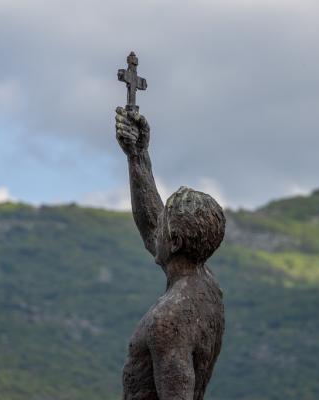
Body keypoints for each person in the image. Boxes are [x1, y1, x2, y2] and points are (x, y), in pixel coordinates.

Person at [115, 107, 226, 400]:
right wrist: (138, 157)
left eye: (164, 222)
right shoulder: (206, 285)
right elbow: (151, 223)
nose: (157, 226)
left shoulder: (169, 320)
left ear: (174, 242)